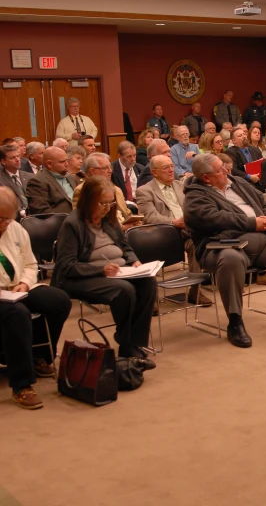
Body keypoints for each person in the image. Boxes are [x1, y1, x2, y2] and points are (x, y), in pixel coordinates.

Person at [183, 154, 266, 347]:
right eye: (220, 169)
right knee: (231, 260)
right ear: (206, 178)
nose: (227, 170)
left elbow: (265, 201)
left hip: (260, 240)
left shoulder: (236, 182)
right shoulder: (195, 195)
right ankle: (235, 323)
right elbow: (214, 218)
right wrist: (251, 223)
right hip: (221, 246)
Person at [53, 177, 158, 359]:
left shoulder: (108, 217)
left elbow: (124, 245)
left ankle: (134, 341)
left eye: (111, 203)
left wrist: (134, 261)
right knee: (124, 290)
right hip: (81, 277)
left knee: (148, 282)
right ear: (88, 201)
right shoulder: (73, 224)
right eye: (103, 203)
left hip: (117, 270)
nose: (107, 208)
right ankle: (127, 344)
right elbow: (66, 266)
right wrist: (100, 270)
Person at [0, 187, 72, 409]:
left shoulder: (15, 229)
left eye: (7, 219)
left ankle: (39, 357)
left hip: (19, 287)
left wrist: (24, 283)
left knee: (59, 300)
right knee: (17, 314)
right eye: (0, 219)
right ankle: (21, 384)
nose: (4, 224)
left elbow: (31, 264)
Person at [135, 155, 211, 305]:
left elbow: (194, 207)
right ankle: (150, 299)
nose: (171, 170)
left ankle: (195, 292)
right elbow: (149, 217)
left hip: (186, 231)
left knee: (197, 243)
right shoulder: (144, 191)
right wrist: (173, 222)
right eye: (166, 168)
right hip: (162, 233)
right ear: (154, 172)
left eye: (172, 166)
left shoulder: (181, 186)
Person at [73, 153, 141, 232]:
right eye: (105, 168)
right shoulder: (82, 190)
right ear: (93, 171)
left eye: (110, 167)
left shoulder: (116, 189)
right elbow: (83, 222)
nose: (110, 171)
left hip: (126, 234)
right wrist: (121, 228)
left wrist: (134, 222)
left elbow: (126, 213)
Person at [25, 146, 79, 215]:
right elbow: (43, 212)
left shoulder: (72, 178)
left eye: (67, 161)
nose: (67, 164)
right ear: (49, 164)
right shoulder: (37, 182)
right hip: (59, 222)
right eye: (62, 162)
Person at [0, 144, 32, 216]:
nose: (17, 160)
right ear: (3, 161)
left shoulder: (30, 176)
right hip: (13, 217)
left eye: (18, 156)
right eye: (12, 158)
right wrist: (21, 212)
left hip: (34, 215)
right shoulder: (1, 180)